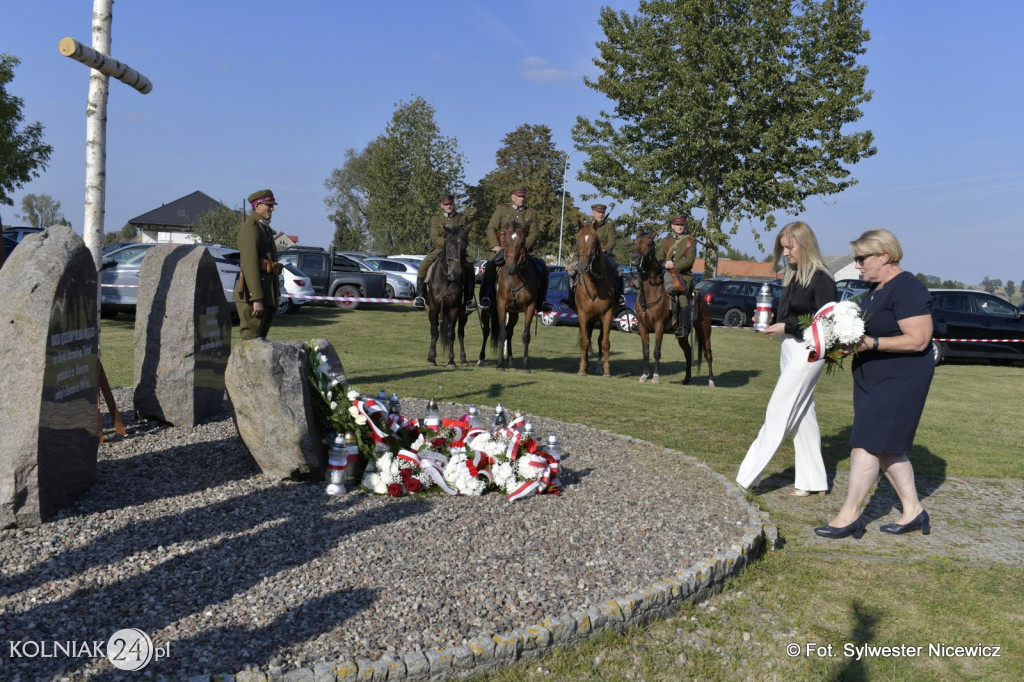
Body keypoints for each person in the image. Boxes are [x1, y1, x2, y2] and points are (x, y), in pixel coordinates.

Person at [815, 229, 935, 539]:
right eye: (855, 259)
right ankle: (913, 511)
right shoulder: (876, 288)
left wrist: (872, 342)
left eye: (861, 258)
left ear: (884, 255)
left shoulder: (907, 287)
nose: (857, 265)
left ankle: (849, 515)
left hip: (899, 379)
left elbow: (919, 340)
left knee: (866, 443)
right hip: (874, 377)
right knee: (887, 448)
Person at [736, 221, 836, 496]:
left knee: (779, 409)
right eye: (783, 248)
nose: (786, 254)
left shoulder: (822, 279)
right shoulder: (792, 276)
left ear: (805, 245)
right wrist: (769, 321)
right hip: (789, 347)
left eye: (790, 248)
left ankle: (746, 477)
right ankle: (813, 481)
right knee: (803, 415)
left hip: (809, 350)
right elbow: (788, 316)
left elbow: (827, 326)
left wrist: (787, 326)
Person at [479, 187, 539, 310]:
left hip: (523, 251)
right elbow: (491, 228)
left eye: (523, 197)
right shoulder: (502, 209)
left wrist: (523, 246)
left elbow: (534, 232)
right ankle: (486, 298)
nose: (522, 199)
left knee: (541, 268)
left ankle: (541, 301)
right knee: (489, 267)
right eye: (519, 196)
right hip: (503, 250)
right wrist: (495, 245)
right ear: (512, 197)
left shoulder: (531, 213)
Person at [413, 195, 476, 311]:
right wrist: (447, 244)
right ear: (442, 205)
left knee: (470, 268)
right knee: (423, 266)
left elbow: (466, 236)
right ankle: (420, 296)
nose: (449, 206)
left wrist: (458, 245)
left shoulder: (461, 218)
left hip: (457, 251)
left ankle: (468, 300)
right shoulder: (436, 219)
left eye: (451, 204)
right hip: (440, 249)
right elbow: (434, 236)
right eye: (446, 204)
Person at [234, 189, 281, 341]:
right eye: (269, 205)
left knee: (259, 342)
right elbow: (250, 265)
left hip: (265, 294)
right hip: (252, 297)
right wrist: (257, 299)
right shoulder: (251, 228)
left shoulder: (263, 228)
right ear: (258, 205)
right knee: (251, 342)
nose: (272, 209)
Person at [566, 204, 626, 309]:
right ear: (593, 213)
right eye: (598, 212)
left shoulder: (609, 225)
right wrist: (573, 260)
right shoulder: (586, 226)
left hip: (603, 255)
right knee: (571, 271)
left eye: (602, 212)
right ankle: (571, 297)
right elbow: (581, 245)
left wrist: (604, 250)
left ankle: (618, 297)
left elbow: (612, 241)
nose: (601, 214)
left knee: (618, 272)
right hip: (586, 255)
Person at [655, 216, 697, 337]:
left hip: (683, 275)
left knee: (682, 296)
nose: (680, 227)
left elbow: (689, 261)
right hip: (666, 273)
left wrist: (674, 266)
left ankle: (683, 328)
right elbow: (659, 256)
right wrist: (664, 263)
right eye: (677, 225)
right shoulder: (666, 240)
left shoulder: (690, 241)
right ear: (672, 226)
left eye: (682, 225)